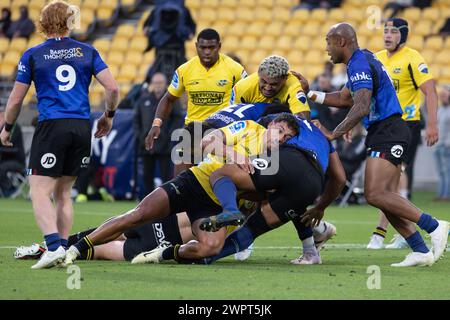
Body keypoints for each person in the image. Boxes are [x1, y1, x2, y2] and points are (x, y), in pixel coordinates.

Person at [292, 23, 449, 267]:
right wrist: (310, 94)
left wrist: (335, 132)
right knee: (382, 196)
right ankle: (419, 249)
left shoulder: (359, 63)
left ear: (341, 42)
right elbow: (345, 99)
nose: (326, 49)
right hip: (382, 131)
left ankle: (435, 225)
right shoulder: (361, 60)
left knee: (376, 194)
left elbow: (362, 106)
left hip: (389, 130)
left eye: (328, 42)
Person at [61, 114, 299, 267]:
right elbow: (209, 142)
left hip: (212, 206)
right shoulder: (249, 128)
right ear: (270, 125)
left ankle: (167, 253)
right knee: (137, 216)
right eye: (280, 131)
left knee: (211, 247)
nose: (281, 139)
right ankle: (75, 247)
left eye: (287, 137)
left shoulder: (276, 162)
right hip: (193, 183)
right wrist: (234, 153)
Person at [131, 114, 345, 265]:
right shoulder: (322, 135)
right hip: (314, 182)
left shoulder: (275, 127)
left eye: (283, 135)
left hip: (292, 162)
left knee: (223, 176)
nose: (280, 138)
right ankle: (311, 249)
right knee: (263, 211)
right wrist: (321, 206)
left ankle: (228, 213)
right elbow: (340, 179)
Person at [0, 0, 119, 269]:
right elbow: (112, 89)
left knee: (39, 191)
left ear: (43, 23)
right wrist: (108, 116)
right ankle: (63, 249)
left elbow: (16, 101)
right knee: (64, 192)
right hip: (80, 126)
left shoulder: (32, 54)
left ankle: (53, 247)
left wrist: (7, 128)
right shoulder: (87, 51)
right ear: (70, 22)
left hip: (53, 125)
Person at [366, 18, 439, 250]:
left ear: (404, 35)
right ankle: (403, 232)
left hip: (406, 126)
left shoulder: (413, 58)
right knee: (389, 185)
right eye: (385, 31)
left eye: (394, 32)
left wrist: (433, 125)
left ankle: (383, 233)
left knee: (388, 184)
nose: (388, 35)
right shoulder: (376, 58)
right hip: (382, 127)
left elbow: (430, 91)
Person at [145, 28, 246, 175]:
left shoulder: (235, 69)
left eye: (211, 47)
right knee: (179, 180)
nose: (207, 52)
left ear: (219, 46)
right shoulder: (185, 70)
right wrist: (156, 123)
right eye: (203, 47)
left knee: (218, 178)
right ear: (196, 46)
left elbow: (249, 95)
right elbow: (168, 98)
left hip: (222, 130)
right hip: (194, 129)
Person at [14, 213, 193, 262]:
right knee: (101, 248)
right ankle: (49, 249)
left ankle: (49, 247)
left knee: (108, 230)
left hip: (157, 221)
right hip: (162, 241)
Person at [134, 72, 184, 196]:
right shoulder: (143, 99)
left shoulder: (171, 101)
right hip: (146, 143)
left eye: (160, 83)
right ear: (151, 84)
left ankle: (167, 200)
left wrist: (168, 136)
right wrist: (141, 137)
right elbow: (136, 120)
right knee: (147, 175)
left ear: (166, 84)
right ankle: (145, 202)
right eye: (155, 83)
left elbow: (177, 119)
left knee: (166, 175)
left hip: (165, 144)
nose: (158, 85)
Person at [230, 55, 310, 119]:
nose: (268, 88)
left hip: (281, 124)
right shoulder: (242, 88)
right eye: (264, 82)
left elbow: (304, 121)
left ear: (285, 78)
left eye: (274, 84)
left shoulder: (293, 85)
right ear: (258, 73)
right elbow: (230, 118)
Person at [143, 0, 196, 81]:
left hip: (175, 50)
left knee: (184, 75)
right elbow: (191, 29)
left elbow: (146, 28)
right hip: (165, 50)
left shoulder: (157, 9)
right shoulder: (183, 9)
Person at [0, 108, 26, 197]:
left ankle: (11, 189)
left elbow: (10, 146)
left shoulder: (13, 128)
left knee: (1, 168)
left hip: (17, 161)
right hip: (4, 159)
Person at [433, 86, 450, 202]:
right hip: (438, 145)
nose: (443, 97)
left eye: (445, 95)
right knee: (440, 171)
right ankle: (441, 194)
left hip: (446, 145)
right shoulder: (440, 109)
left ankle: (446, 195)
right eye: (441, 95)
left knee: (446, 171)